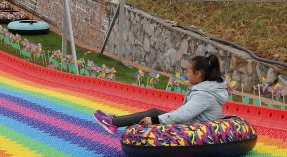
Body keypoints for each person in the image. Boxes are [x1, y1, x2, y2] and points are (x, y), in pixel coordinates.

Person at [93, 54, 230, 133]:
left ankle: (113, 123)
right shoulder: (206, 90)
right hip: (192, 124)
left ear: (198, 74)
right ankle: (115, 120)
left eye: (188, 71)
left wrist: (156, 120)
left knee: (154, 115)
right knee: (154, 111)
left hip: (194, 131)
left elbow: (184, 114)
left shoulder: (204, 95)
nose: (186, 74)